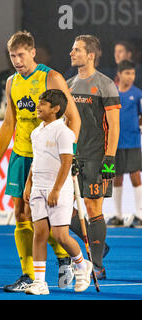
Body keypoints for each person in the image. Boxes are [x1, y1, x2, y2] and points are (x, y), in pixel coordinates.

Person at [0, 31, 81, 292]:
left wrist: (69, 155)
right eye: (12, 56)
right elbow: (8, 123)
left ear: (33, 53)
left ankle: (64, 257)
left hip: (48, 158)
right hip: (22, 154)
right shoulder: (11, 82)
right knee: (21, 214)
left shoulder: (51, 77)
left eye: (21, 55)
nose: (16, 60)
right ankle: (29, 275)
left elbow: (74, 118)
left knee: (48, 217)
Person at [23, 89, 93, 295]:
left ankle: (82, 265)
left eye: (43, 103)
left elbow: (66, 163)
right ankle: (40, 283)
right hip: (38, 188)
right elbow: (36, 161)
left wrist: (56, 189)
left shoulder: (63, 132)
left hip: (58, 190)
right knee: (40, 234)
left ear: (55, 109)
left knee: (61, 235)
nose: (38, 106)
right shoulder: (36, 132)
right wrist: (29, 184)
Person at [67, 34, 121, 280]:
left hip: (97, 157)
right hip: (72, 157)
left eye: (76, 50)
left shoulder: (105, 85)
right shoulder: (67, 85)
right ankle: (98, 243)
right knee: (61, 212)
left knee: (92, 207)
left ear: (90, 55)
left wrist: (110, 158)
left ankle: (96, 263)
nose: (71, 53)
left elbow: (114, 125)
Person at [108, 60, 142, 228]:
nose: (131, 76)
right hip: (115, 143)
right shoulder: (112, 93)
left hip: (133, 142)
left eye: (133, 73)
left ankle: (140, 214)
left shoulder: (138, 94)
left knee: (135, 175)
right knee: (116, 177)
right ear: (119, 74)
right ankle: (118, 215)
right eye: (127, 73)